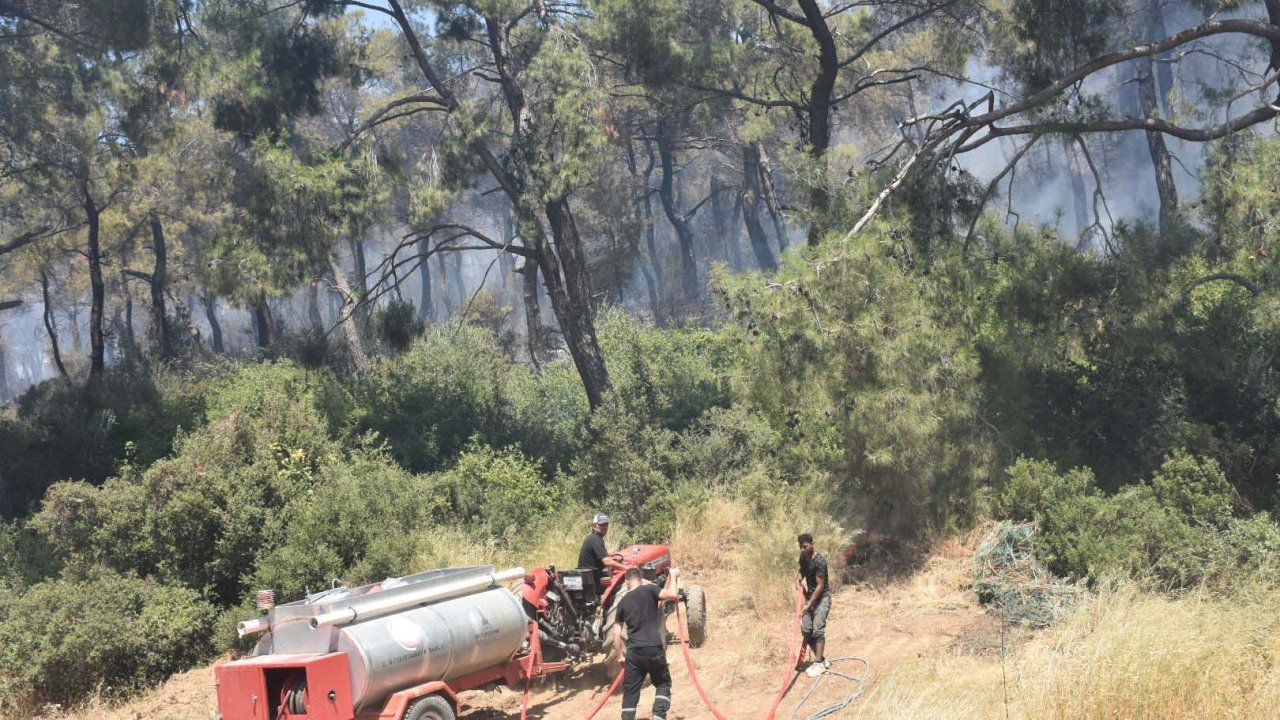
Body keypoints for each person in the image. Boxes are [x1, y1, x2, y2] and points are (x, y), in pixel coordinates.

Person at [612, 566, 681, 720]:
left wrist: (620, 657)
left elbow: (616, 635)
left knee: (630, 692)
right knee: (663, 683)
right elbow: (672, 594)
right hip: (654, 649)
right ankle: (658, 715)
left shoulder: (622, 602)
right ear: (641, 579)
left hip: (634, 652)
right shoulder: (650, 589)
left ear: (627, 581)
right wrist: (674, 576)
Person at [795, 532, 831, 677]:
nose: (803, 550)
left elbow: (820, 586)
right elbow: (801, 571)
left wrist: (808, 605)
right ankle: (821, 660)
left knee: (818, 630)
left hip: (822, 599)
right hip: (810, 600)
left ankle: (818, 665)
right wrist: (798, 579)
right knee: (806, 630)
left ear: (812, 543)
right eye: (800, 547)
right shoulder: (803, 557)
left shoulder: (820, 561)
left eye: (805, 546)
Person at [579, 512, 630, 591]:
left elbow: (598, 555)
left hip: (590, 578)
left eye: (606, 525)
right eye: (601, 525)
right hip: (593, 583)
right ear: (594, 526)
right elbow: (607, 562)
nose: (604, 527)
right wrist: (627, 568)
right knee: (624, 586)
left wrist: (608, 553)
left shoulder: (593, 538)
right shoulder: (594, 539)